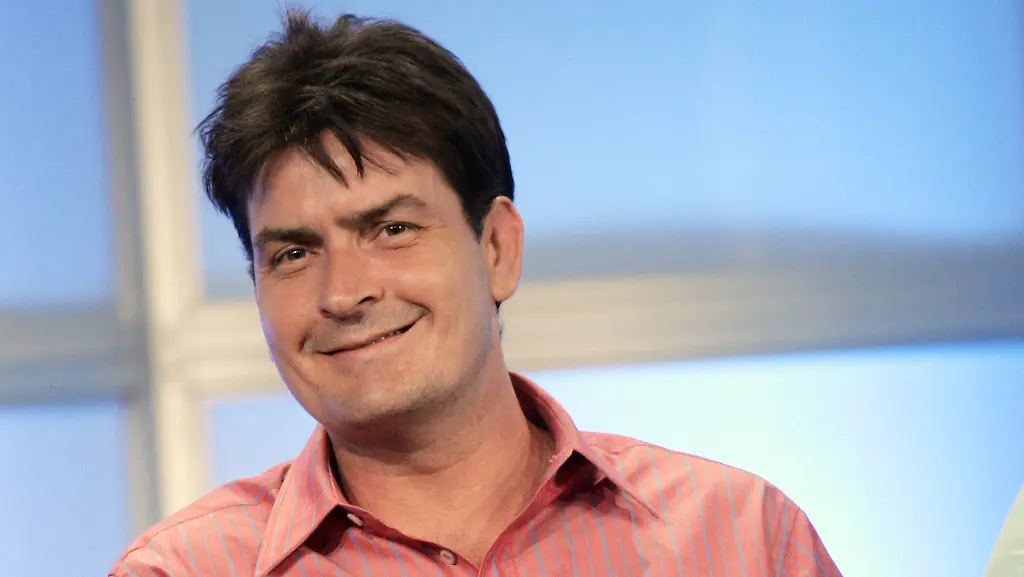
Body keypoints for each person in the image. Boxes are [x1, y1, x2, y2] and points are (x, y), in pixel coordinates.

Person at [110, 9, 841, 577]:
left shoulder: (740, 539)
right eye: (294, 253)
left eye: (391, 228)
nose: (344, 293)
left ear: (497, 249)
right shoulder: (186, 569)